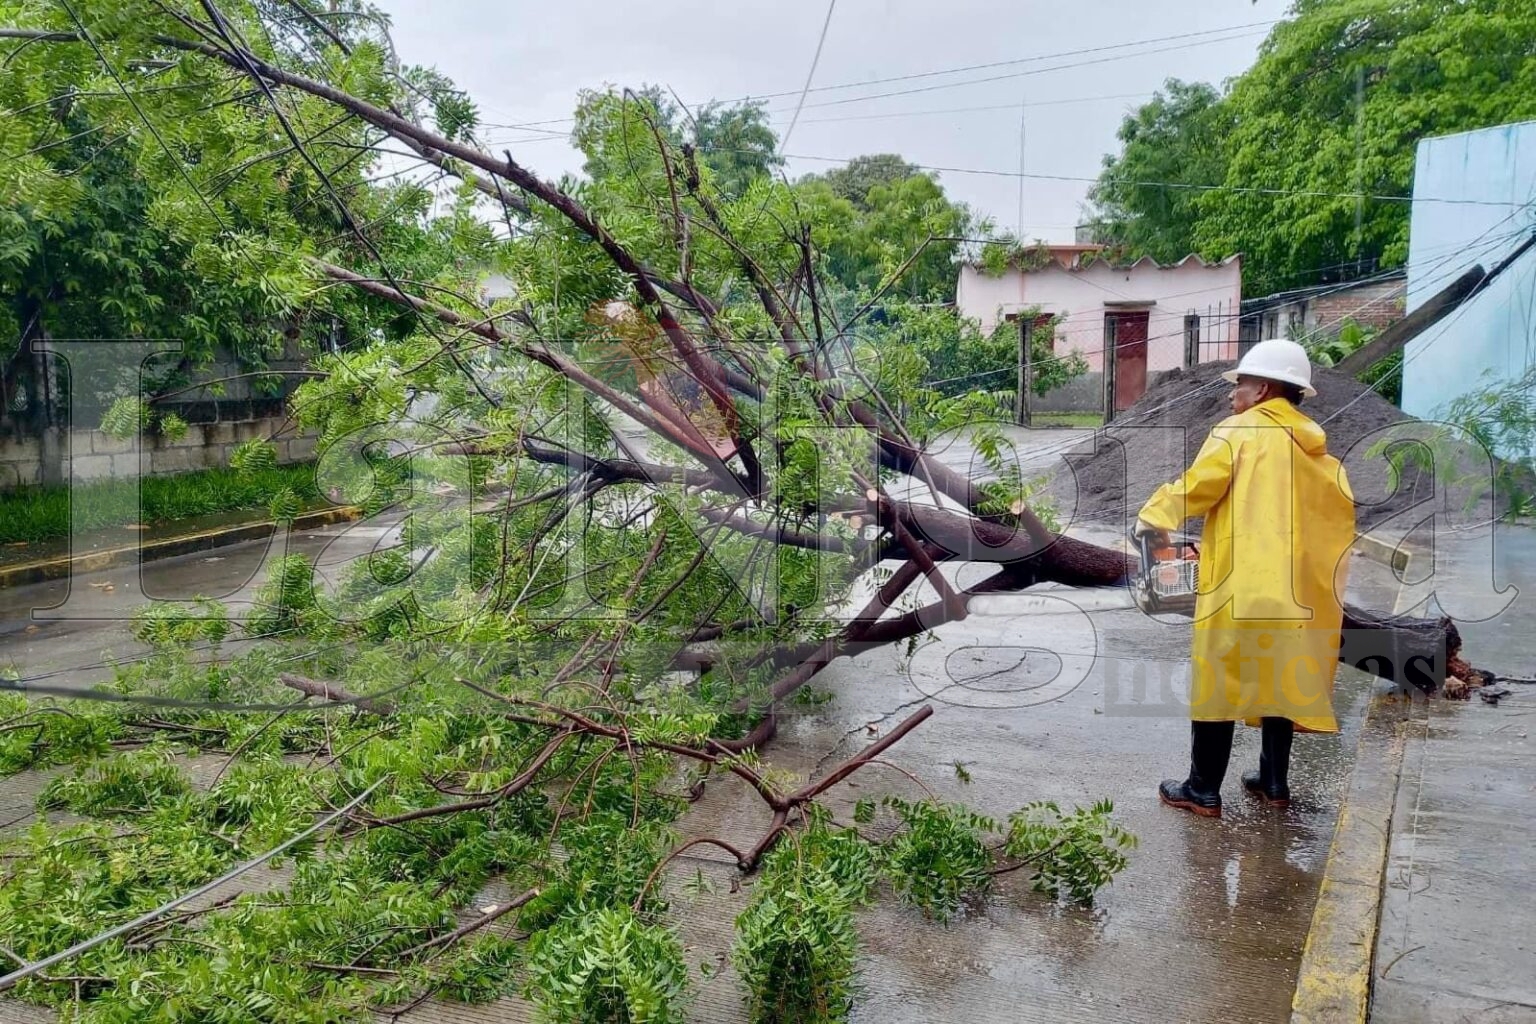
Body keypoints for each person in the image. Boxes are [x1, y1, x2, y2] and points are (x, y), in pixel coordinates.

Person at [1134, 339, 1357, 818]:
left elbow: (1198, 488)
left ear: (1264, 389)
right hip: (1294, 591)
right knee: (1280, 674)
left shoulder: (1237, 433)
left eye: (1240, 384)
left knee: (1218, 678)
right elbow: (1336, 519)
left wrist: (1152, 518)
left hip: (1239, 584)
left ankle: (1202, 789)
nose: (1232, 394)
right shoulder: (1316, 449)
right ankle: (1273, 782)